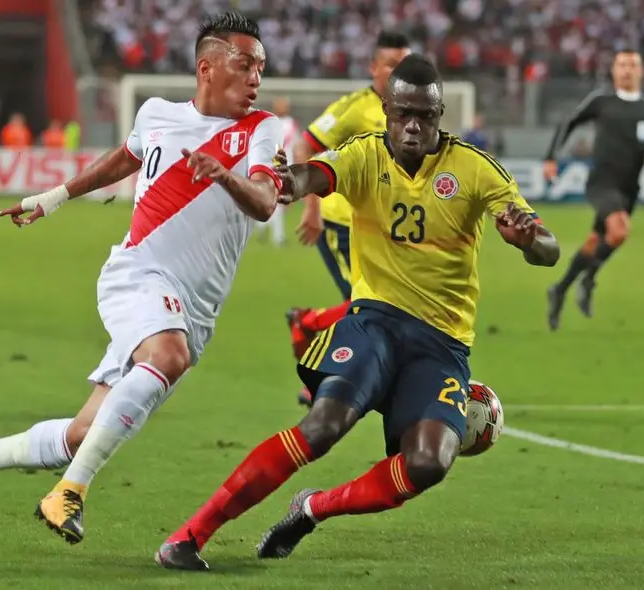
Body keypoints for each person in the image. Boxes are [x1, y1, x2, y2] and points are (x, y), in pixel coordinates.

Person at [156, 54, 560, 572]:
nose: (414, 125)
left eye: (427, 116)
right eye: (403, 113)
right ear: (386, 109)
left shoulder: (474, 169)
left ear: (441, 117)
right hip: (375, 323)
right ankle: (190, 536)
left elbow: (547, 247)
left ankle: (312, 508)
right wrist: (286, 183)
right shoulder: (365, 155)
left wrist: (529, 240)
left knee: (429, 463)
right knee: (323, 426)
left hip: (442, 346)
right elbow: (312, 175)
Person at [0, 12, 284, 546]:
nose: (256, 78)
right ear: (207, 67)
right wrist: (55, 198)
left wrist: (224, 176)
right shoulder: (157, 114)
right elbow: (123, 159)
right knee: (168, 356)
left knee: (84, 434)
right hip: (138, 275)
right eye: (245, 65)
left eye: (261, 67)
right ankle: (68, 493)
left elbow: (265, 201)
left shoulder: (261, 129)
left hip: (194, 308)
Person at [286, 31, 411, 406]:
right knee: (366, 305)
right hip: (343, 222)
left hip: (383, 226)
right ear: (374, 67)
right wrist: (311, 207)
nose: (397, 72)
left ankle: (313, 337)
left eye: (404, 64)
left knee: (380, 305)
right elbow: (305, 144)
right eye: (391, 64)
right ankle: (311, 335)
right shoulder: (355, 107)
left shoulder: (408, 112)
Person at [544, 49, 644, 330]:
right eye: (622, 65)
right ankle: (590, 278)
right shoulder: (602, 101)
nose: (627, 70)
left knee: (595, 242)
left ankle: (560, 289)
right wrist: (551, 156)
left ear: (641, 71)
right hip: (602, 183)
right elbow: (568, 122)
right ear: (614, 71)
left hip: (630, 188)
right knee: (619, 232)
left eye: (633, 64)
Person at [257, 96, 299, 246]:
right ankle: (278, 237)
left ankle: (262, 226)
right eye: (280, 104)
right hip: (274, 166)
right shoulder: (270, 122)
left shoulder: (291, 124)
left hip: (288, 167)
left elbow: (296, 145)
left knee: (281, 203)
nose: (283, 107)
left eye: (285, 105)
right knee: (279, 202)